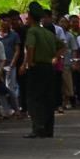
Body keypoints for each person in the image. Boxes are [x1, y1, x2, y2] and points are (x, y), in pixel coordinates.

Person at [22, 9, 62, 137]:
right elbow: (62, 46)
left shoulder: (32, 31)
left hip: (37, 67)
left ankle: (37, 128)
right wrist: (55, 57)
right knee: (48, 98)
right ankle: (48, 129)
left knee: (34, 99)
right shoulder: (48, 33)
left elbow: (30, 47)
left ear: (31, 18)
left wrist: (29, 62)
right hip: (49, 67)